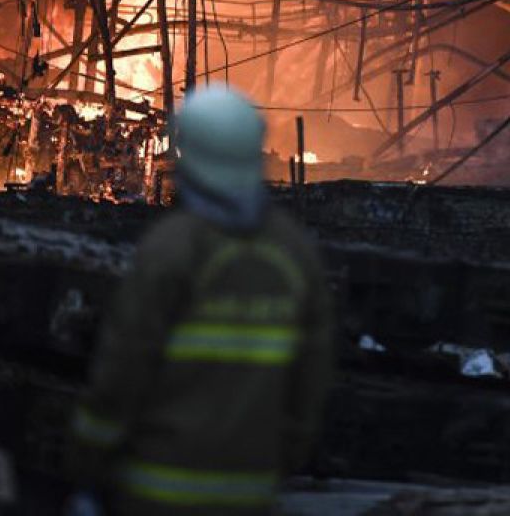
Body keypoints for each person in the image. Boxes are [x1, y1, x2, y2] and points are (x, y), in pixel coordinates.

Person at [67, 84, 333, 515]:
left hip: (156, 495)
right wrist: (277, 464)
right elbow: (310, 388)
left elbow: (122, 373)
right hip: (250, 496)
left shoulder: (171, 249)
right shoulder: (296, 255)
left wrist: (87, 467)